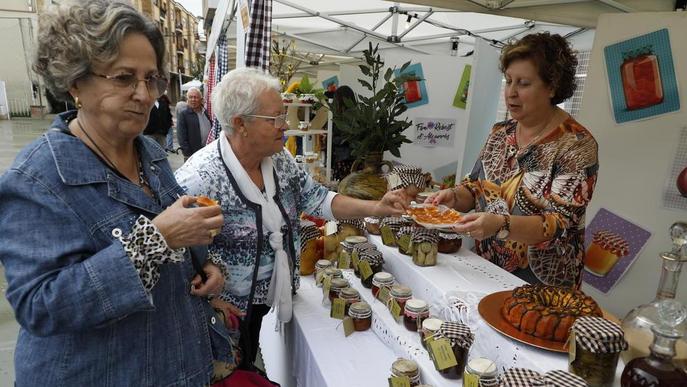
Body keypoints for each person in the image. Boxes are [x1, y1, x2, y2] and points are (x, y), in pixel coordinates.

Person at [0, 1, 234, 385]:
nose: (144, 95)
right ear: (76, 82)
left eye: (151, 79)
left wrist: (204, 265)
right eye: (124, 78)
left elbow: (173, 249)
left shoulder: (151, 155)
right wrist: (157, 239)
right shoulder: (37, 178)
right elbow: (40, 306)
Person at [175, 67, 411, 368]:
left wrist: (377, 208)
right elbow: (173, 249)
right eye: (275, 118)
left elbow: (318, 198)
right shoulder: (199, 178)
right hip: (225, 311)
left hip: (264, 298)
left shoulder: (278, 160)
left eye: (283, 116)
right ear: (240, 124)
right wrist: (206, 299)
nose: (284, 125)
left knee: (249, 362)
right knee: (230, 372)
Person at [427, 32, 598, 289]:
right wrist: (453, 196)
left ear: (552, 86)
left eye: (524, 83)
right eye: (508, 81)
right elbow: (474, 188)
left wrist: (500, 225)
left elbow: (559, 225)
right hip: (484, 268)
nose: (511, 93)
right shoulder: (500, 133)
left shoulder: (576, 145)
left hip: (541, 284)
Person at [328, 85, 357, 181]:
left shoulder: (341, 117)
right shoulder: (358, 114)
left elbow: (342, 139)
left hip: (343, 160)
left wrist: (331, 138)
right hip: (356, 159)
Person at [177, 87, 211, 160]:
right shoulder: (184, 114)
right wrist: (187, 154)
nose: (193, 100)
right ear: (187, 99)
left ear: (201, 99)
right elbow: (181, 137)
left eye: (195, 97)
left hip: (207, 152)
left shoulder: (206, 112)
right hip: (192, 155)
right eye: (190, 97)